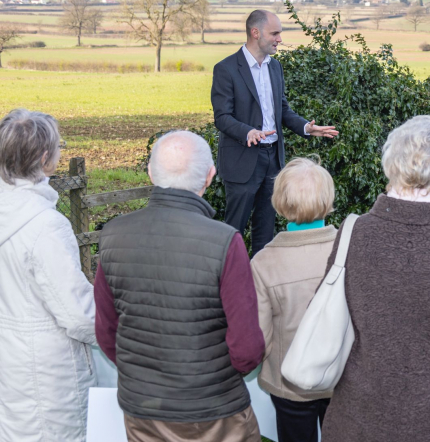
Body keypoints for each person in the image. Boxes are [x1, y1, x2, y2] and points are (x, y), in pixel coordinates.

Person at [321, 116, 430, 442]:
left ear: (392, 162)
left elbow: (331, 312)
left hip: (356, 411)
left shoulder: (355, 232)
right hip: (428, 414)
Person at [94, 131, 265, 442]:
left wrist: (143, 373)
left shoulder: (113, 235)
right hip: (215, 412)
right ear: (211, 176)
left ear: (150, 173)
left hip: (143, 409)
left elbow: (106, 330)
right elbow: (247, 347)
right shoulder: (225, 241)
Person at [0, 109, 97, 442]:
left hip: (10, 357)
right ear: (44, 158)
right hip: (48, 371)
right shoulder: (45, 225)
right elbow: (77, 314)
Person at [211, 9, 339, 256]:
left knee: (266, 231)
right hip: (241, 159)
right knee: (233, 230)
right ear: (255, 32)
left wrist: (305, 127)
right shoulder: (226, 69)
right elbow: (222, 117)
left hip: (273, 161)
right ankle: (227, 285)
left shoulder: (275, 67)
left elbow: (281, 109)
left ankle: (260, 283)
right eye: (275, 33)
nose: (279, 39)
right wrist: (248, 131)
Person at [251, 157, 337, 442]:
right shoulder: (352, 250)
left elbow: (259, 338)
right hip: (341, 377)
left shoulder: (264, 263)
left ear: (280, 202)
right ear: (327, 198)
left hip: (289, 382)